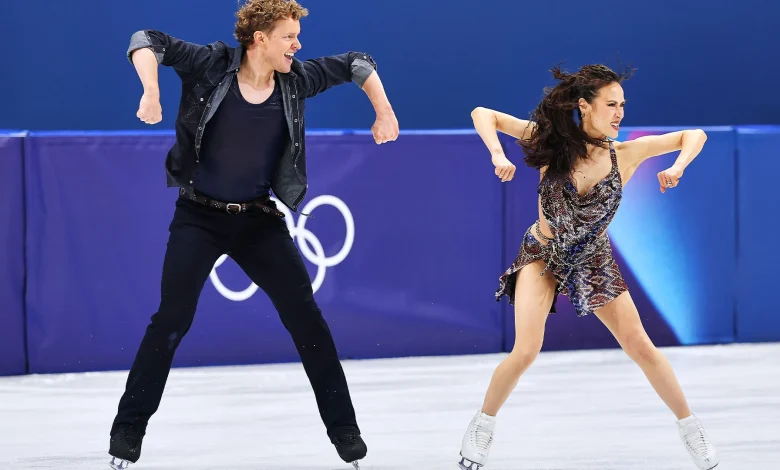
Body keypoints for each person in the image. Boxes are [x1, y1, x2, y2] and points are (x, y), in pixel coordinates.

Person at [109, 1, 398, 468]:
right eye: (289, 36)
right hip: (198, 217)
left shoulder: (296, 79)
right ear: (260, 38)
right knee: (171, 320)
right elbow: (146, 39)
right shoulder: (209, 64)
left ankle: (345, 431)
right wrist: (150, 90)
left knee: (307, 319)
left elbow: (357, 63)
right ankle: (127, 431)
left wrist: (384, 112)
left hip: (258, 220)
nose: (298, 45)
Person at [458, 64, 719, 470]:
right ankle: (482, 425)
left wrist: (678, 166)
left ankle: (691, 428)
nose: (619, 113)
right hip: (543, 254)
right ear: (585, 105)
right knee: (526, 349)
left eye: (622, 105)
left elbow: (695, 135)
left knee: (640, 346)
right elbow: (482, 113)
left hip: (591, 258)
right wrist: (496, 152)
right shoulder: (551, 143)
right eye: (610, 104)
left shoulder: (626, 154)